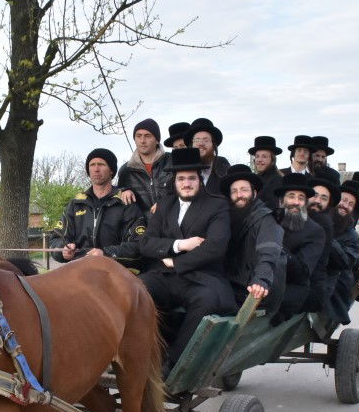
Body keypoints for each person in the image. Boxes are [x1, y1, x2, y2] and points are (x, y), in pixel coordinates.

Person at [138, 147, 235, 373]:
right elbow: (146, 243)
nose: (187, 183)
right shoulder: (165, 205)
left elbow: (215, 246)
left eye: (192, 178)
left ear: (200, 180)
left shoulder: (217, 205)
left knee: (206, 302)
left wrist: (177, 262)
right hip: (164, 276)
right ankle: (142, 353)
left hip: (201, 278)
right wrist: (180, 245)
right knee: (137, 289)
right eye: (181, 179)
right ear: (175, 181)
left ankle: (174, 364)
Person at [49, 148, 146, 272]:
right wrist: (62, 250)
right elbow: (55, 239)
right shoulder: (76, 204)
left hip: (117, 273)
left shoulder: (126, 203)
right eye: (92, 165)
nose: (96, 169)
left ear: (111, 170)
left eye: (101, 164)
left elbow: (138, 245)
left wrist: (105, 254)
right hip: (80, 271)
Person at [221, 164, 286, 318]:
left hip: (256, 290)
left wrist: (261, 280)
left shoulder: (266, 219)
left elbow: (268, 252)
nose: (239, 195)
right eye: (234, 191)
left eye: (244, 190)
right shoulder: (226, 217)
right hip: (232, 282)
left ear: (254, 193)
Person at [273, 172, 325, 322]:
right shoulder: (269, 220)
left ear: (305, 203)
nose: (296, 202)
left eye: (301, 198)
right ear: (281, 200)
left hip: (290, 290)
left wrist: (277, 247)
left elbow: (302, 272)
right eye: (291, 196)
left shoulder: (315, 231)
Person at [325, 179, 359, 325]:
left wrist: (328, 237)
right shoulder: (318, 220)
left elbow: (346, 262)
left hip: (334, 287)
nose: (345, 205)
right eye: (343, 200)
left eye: (351, 204)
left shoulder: (352, 237)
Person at [117, 118, 173, 213]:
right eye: (138, 136)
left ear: (157, 140)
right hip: (142, 222)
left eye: (147, 136)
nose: (142, 141)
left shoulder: (172, 161)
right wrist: (123, 191)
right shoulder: (126, 171)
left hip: (173, 219)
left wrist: (165, 203)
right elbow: (118, 200)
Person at [303, 170, 339, 313]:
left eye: (324, 198)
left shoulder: (323, 223)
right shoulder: (300, 216)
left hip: (309, 289)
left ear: (329, 203)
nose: (317, 201)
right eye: (315, 195)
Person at [187, 117, 232, 195]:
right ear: (192, 144)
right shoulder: (183, 168)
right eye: (197, 140)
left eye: (206, 140)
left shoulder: (223, 167)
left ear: (213, 145)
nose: (201, 144)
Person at [247, 135, 283, 209]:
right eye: (257, 156)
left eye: (264, 156)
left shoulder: (276, 180)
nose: (259, 160)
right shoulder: (255, 179)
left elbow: (272, 208)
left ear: (272, 160)